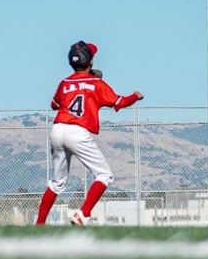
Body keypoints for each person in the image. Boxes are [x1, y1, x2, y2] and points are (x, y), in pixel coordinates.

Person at [35, 41, 143, 225]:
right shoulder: (97, 83)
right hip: (77, 132)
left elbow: (54, 105)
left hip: (58, 129)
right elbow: (120, 102)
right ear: (91, 62)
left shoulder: (65, 82)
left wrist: (80, 86)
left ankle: (39, 224)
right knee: (104, 175)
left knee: (57, 182)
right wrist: (136, 95)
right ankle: (83, 213)